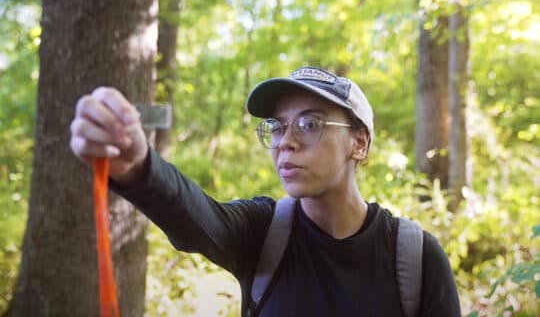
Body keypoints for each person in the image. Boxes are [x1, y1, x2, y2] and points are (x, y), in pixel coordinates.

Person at [70, 66, 461, 316]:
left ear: (359, 143)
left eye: (309, 124)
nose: (284, 142)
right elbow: (198, 218)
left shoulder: (415, 258)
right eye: (277, 126)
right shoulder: (264, 233)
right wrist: (139, 164)